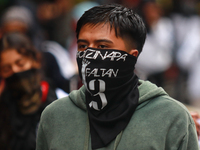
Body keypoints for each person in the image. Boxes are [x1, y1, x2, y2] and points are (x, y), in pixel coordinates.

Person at [36, 3, 199, 150]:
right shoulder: (55, 116)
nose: (90, 54)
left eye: (102, 46)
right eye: (83, 46)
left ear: (132, 56)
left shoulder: (171, 118)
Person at [0, 32, 67, 150]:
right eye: (7, 69)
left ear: (35, 60)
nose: (15, 71)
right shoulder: (4, 108)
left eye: (20, 64)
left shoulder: (59, 101)